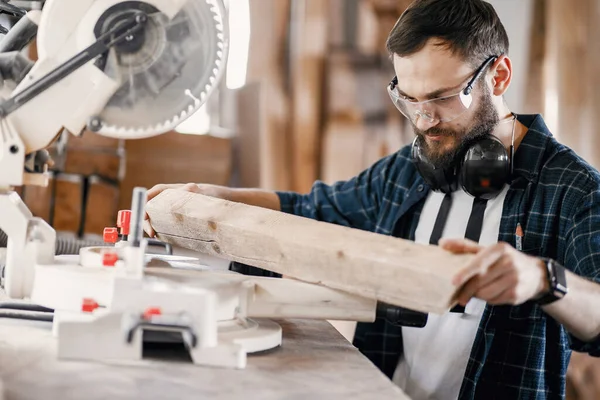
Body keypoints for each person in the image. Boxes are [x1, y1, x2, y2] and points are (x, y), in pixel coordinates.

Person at [145, 0, 600, 398]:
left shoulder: (573, 189)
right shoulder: (407, 171)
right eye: (409, 99)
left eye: (442, 98)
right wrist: (213, 197)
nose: (425, 121)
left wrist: (544, 279)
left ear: (498, 75)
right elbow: (312, 210)